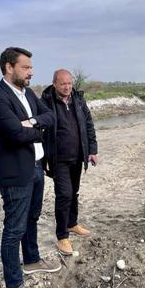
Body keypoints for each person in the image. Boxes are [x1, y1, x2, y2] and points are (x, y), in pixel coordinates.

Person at [0, 47, 61, 288]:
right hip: (15, 172)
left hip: (36, 166)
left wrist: (31, 123)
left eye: (31, 67)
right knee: (14, 229)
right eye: (26, 67)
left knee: (32, 217)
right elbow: (16, 135)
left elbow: (50, 116)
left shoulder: (28, 93)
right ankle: (14, 286)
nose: (31, 72)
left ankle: (31, 260)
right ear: (9, 67)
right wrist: (36, 129)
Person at [41, 70, 98, 256]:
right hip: (58, 159)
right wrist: (41, 158)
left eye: (69, 83)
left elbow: (88, 125)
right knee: (64, 194)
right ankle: (62, 236)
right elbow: (40, 130)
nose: (67, 87)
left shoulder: (78, 100)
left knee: (74, 192)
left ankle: (72, 223)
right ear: (54, 84)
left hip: (77, 156)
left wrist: (92, 150)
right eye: (63, 84)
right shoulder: (46, 102)